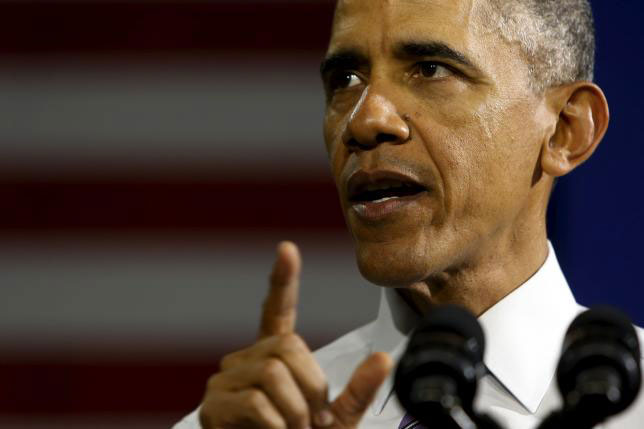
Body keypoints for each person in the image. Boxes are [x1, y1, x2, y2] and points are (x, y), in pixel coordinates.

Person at [174, 0, 644, 428]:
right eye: (346, 80)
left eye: (430, 69)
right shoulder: (257, 422)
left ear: (565, 131)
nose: (364, 120)